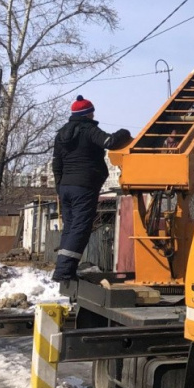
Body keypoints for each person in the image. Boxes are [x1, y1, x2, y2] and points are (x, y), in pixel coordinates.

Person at [51, 95, 132, 283]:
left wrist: (59, 186)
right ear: (88, 113)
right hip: (84, 186)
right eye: (92, 112)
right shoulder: (88, 130)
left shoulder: (61, 134)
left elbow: (57, 163)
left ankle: (65, 270)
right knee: (80, 228)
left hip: (65, 187)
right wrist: (124, 132)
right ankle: (63, 272)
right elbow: (110, 142)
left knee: (70, 228)